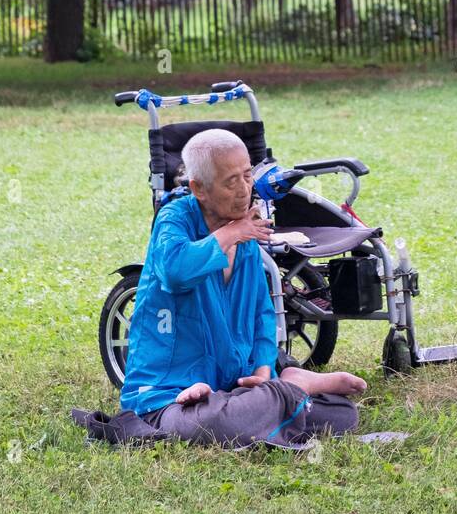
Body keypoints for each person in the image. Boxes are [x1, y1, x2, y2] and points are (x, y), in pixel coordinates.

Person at [110, 127, 365, 449]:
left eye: (247, 176)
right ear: (198, 189)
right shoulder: (174, 219)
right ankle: (293, 389)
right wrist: (233, 233)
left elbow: (261, 312)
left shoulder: (245, 234)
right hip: (168, 397)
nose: (244, 190)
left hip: (233, 387)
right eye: (231, 182)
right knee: (215, 423)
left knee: (342, 415)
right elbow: (175, 272)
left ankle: (279, 388)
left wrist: (262, 368)